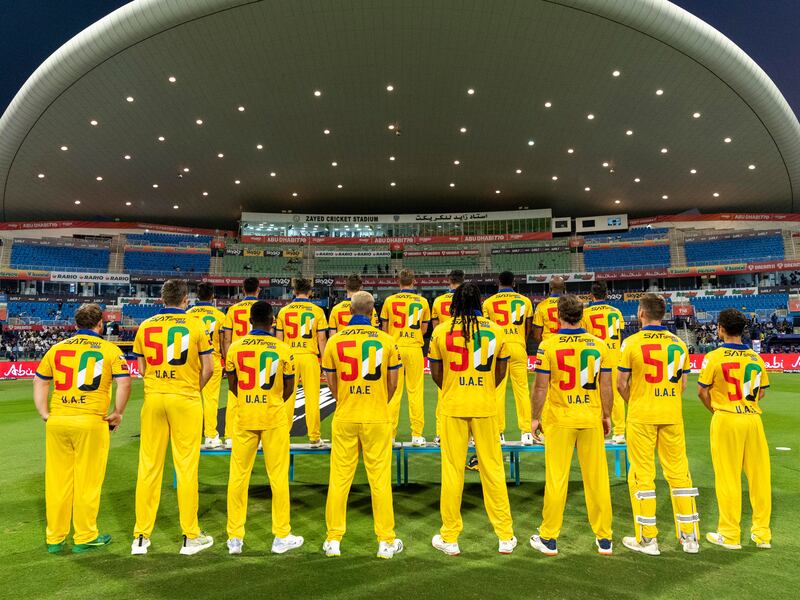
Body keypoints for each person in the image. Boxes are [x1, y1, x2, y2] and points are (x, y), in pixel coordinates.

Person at [33, 304, 131, 553]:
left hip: (58, 421)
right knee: (88, 481)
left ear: (76, 324)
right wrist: (118, 413)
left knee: (57, 481)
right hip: (90, 421)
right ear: (100, 324)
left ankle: (55, 538)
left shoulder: (57, 349)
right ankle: (85, 535)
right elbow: (124, 383)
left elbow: (40, 381)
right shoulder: (110, 349)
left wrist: (45, 413)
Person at [428, 283, 517, 556]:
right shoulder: (496, 330)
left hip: (453, 405)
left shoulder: (441, 330)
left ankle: (450, 538)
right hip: (485, 405)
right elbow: (500, 371)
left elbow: (436, 371)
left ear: (454, 302)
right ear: (480, 301)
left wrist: (455, 387)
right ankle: (505, 536)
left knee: (452, 471)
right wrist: (485, 387)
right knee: (493, 470)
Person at [131, 279, 215, 556]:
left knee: (149, 467)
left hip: (154, 398)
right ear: (185, 299)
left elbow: (141, 367)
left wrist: (159, 383)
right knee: (186, 467)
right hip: (186, 399)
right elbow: (209, 369)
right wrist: (192, 389)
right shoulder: (195, 325)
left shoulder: (146, 326)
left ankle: (141, 537)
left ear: (161, 299)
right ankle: (190, 536)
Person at [321, 291, 404, 559]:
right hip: (377, 416)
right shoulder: (387, 340)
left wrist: (345, 398)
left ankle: (333, 540)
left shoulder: (335, 341)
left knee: (339, 480)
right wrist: (379, 400)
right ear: (372, 311)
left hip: (345, 415)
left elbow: (331, 382)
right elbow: (393, 384)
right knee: (379, 481)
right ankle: (385, 541)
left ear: (349, 311)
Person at [529, 295, 614, 556]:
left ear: (557, 315)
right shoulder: (600, 345)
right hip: (590, 417)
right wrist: (607, 415)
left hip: (560, 419)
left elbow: (541, 386)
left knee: (557, 479)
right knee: (597, 479)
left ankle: (549, 538)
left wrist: (534, 417)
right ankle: (605, 539)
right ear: (582, 316)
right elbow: (606, 385)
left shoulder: (548, 345)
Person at [617, 293, 700, 556]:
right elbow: (683, 384)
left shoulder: (630, 343)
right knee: (679, 473)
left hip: (642, 414)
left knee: (642, 475)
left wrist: (637, 401)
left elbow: (621, 384)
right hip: (671, 413)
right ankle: (690, 539)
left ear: (641, 313)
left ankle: (647, 540)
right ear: (662, 314)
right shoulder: (679, 343)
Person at [225, 301, 304, 555]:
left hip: (245, 415)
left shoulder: (235, 347)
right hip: (273, 417)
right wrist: (272, 399)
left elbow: (232, 384)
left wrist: (250, 399)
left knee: (238, 477)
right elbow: (290, 387)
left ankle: (235, 538)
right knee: (278, 477)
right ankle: (281, 536)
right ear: (272, 321)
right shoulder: (283, 348)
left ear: (249, 320)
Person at [698, 308, 772, 550]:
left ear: (720, 328)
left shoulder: (715, 356)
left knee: (728, 477)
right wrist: (745, 405)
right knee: (760, 478)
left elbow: (702, 391)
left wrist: (718, 409)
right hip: (752, 419)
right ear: (743, 329)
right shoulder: (755, 358)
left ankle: (730, 535)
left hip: (726, 419)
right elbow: (760, 391)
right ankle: (762, 535)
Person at [483, 271, 534, 444]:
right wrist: (520, 341)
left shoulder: (488, 302)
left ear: (498, 282)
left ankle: (498, 432)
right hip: (518, 346)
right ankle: (526, 432)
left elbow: (486, 328)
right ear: (514, 283)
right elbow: (528, 327)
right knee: (522, 390)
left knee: (498, 390)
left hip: (498, 350)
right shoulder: (525, 301)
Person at [380, 269, 431, 445]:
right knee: (415, 392)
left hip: (395, 348)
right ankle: (417, 435)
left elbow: (384, 329)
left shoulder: (389, 301)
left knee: (393, 391)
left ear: (398, 281)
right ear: (413, 281)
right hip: (415, 348)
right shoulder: (423, 302)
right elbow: (424, 330)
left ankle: (390, 435)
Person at [276, 278, 328, 445]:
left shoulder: (284, 311)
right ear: (310, 292)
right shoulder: (317, 311)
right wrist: (325, 362)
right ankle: (314, 436)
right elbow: (321, 339)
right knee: (312, 397)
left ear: (294, 291)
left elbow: (279, 339)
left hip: (289, 355)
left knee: (287, 397)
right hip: (309, 356)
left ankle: (283, 434)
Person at [581, 280, 627, 444]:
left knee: (592, 393)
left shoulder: (585, 313)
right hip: (614, 356)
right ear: (606, 295)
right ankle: (619, 432)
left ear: (590, 295)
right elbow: (620, 332)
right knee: (616, 395)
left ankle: (595, 428)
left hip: (594, 357)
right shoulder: (616, 312)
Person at [221, 277, 261, 448]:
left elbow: (226, 338)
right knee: (259, 396)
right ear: (258, 290)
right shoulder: (262, 308)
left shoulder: (232, 310)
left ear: (243, 290)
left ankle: (230, 436)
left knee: (234, 396)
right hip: (259, 356)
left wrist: (227, 359)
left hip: (238, 356)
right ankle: (257, 433)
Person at [187, 282, 227, 449]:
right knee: (211, 400)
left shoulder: (187, 314)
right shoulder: (219, 316)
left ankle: (189, 434)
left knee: (189, 397)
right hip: (212, 360)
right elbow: (225, 340)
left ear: (197, 295)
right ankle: (210, 436)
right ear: (212, 296)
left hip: (191, 361)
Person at [430, 269, 465, 444]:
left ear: (449, 280)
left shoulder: (438, 301)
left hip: (444, 345)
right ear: (463, 280)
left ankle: (441, 433)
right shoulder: (467, 297)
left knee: (443, 391)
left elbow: (435, 327)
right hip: (465, 345)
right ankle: (470, 434)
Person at [532, 275, 565, 345]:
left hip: (548, 344)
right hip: (566, 345)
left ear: (550, 288)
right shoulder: (571, 304)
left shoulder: (541, 306)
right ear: (564, 287)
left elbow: (537, 335)